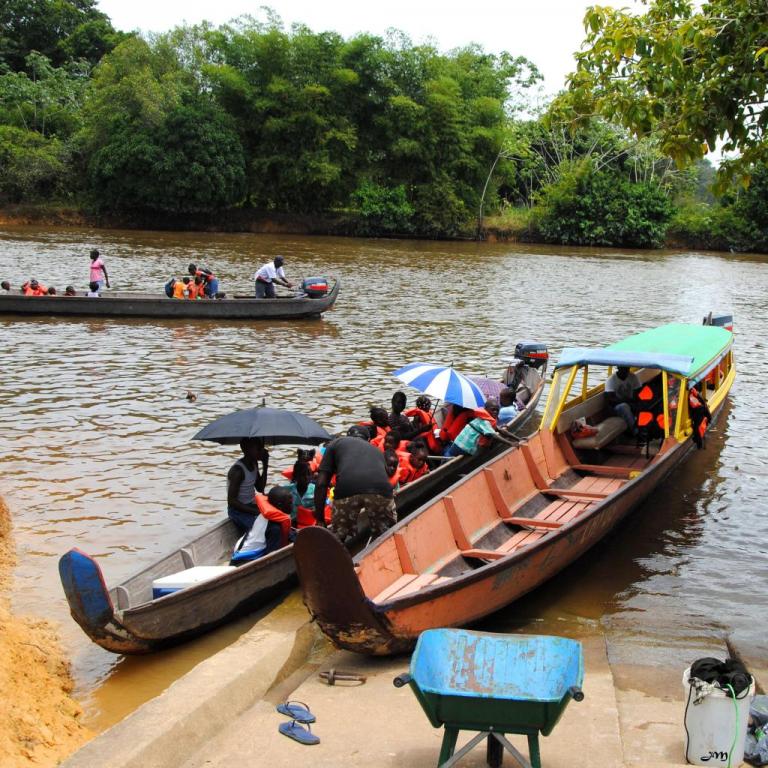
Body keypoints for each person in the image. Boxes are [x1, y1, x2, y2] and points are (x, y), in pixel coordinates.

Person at [313, 425, 397, 543]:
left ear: (348, 436)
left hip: (346, 489)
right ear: (368, 440)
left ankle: (336, 548)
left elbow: (321, 483)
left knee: (337, 537)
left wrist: (320, 520)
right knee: (386, 534)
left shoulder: (335, 443)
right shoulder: (377, 450)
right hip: (381, 491)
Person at [226, 438, 270, 533]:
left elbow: (260, 487)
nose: (261, 451)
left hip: (252, 505)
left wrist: (265, 465)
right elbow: (232, 501)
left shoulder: (254, 463)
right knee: (261, 529)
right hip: (237, 511)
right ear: (245, 449)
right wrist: (255, 511)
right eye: (258, 448)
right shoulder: (238, 471)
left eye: (261, 448)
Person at [605, 365, 641, 434]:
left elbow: (639, 393)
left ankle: (645, 427)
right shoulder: (611, 380)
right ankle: (635, 430)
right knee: (624, 406)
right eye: (622, 368)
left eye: (626, 367)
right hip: (617, 408)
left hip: (631, 403)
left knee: (644, 403)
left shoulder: (633, 377)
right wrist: (628, 401)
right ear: (618, 367)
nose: (625, 370)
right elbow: (611, 400)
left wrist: (635, 403)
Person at [282, 460, 316, 527]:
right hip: (292, 524)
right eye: (303, 475)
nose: (306, 477)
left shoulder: (316, 490)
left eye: (309, 474)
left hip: (310, 525)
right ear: (296, 476)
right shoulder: (287, 490)